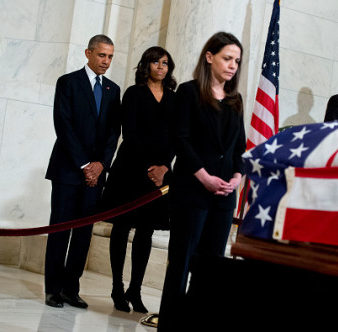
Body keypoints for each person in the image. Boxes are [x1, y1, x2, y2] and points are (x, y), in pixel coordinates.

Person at [156, 32, 246, 331]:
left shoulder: (235, 100)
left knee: (212, 265)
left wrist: (236, 177)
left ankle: (197, 323)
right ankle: (170, 323)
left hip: (223, 196)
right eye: (227, 58)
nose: (233, 65)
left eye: (236, 60)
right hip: (192, 191)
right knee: (182, 260)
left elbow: (238, 149)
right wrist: (204, 176)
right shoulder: (189, 91)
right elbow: (180, 139)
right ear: (209, 57)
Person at [44, 34, 121, 309]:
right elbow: (62, 124)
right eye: (102, 55)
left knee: (84, 233)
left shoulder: (114, 89)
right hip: (67, 170)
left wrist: (101, 164)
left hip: (96, 175)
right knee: (61, 230)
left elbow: (114, 131)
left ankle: (70, 289)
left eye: (110, 56)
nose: (106, 61)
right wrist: (84, 164)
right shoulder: (68, 82)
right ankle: (52, 289)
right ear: (88, 53)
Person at [101, 46, 177, 313]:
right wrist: (150, 167)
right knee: (122, 227)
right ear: (147, 65)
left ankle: (136, 289)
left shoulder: (173, 98)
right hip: (131, 169)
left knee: (146, 231)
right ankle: (117, 287)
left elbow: (177, 137)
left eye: (165, 63)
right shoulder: (133, 93)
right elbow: (130, 133)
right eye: (156, 62)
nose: (160, 66)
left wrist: (164, 166)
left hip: (161, 173)